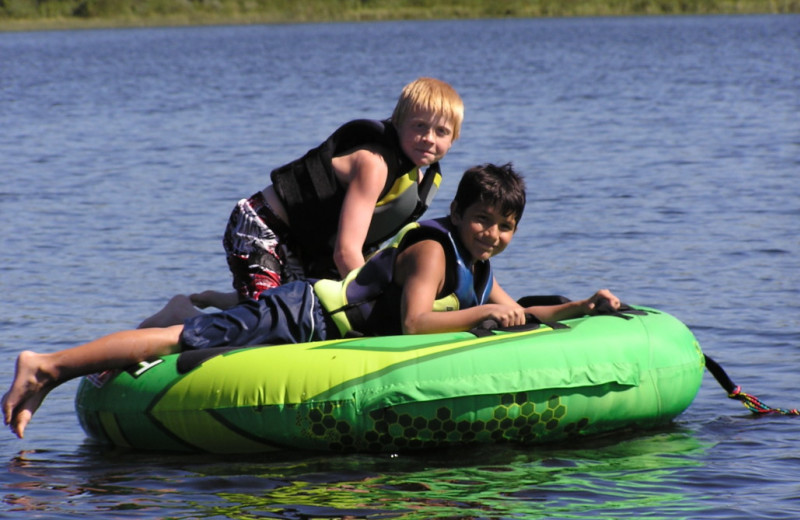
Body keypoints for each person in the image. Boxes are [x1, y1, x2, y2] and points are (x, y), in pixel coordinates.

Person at [2, 163, 621, 439]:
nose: (492, 233)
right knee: (186, 342)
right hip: (305, 315)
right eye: (482, 219)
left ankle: (183, 311)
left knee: (205, 328)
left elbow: (519, 310)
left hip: (321, 325)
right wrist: (484, 315)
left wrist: (580, 309)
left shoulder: (476, 265)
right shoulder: (435, 250)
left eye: (504, 225)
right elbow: (414, 323)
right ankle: (49, 365)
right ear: (457, 213)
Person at [139, 77, 464, 328]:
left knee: (307, 310)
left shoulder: (418, 182)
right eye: (419, 126)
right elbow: (346, 251)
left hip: (308, 245)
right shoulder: (375, 164)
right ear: (397, 121)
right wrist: (374, 304)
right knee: (269, 321)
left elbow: (368, 247)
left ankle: (231, 299)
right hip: (262, 228)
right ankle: (181, 314)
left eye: (441, 131)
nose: (429, 139)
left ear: (454, 139)